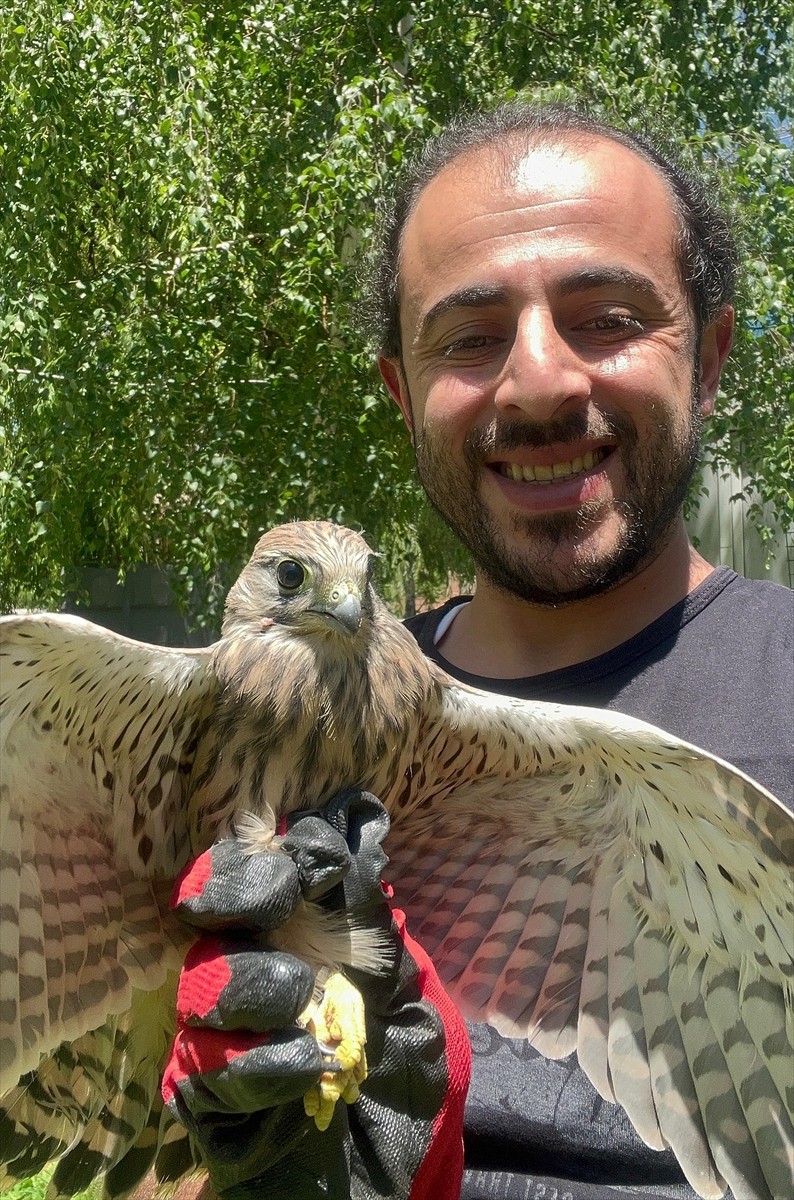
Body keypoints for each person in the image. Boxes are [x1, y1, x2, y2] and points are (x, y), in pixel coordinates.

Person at [159, 102, 793, 1200]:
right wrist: (252, 1163)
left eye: (604, 316)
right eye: (468, 336)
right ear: (402, 395)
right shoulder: (270, 717)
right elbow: (144, 1150)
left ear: (712, 353)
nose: (538, 381)